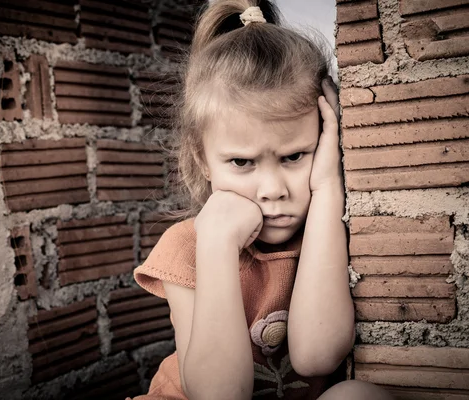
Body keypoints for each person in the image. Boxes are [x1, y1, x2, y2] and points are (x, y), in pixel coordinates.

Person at [131, 1, 394, 399]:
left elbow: (317, 357)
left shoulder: (326, 232)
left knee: (359, 396)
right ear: (203, 160)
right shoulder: (185, 246)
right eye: (242, 161)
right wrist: (217, 242)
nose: (273, 189)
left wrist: (326, 189)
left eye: (294, 156)